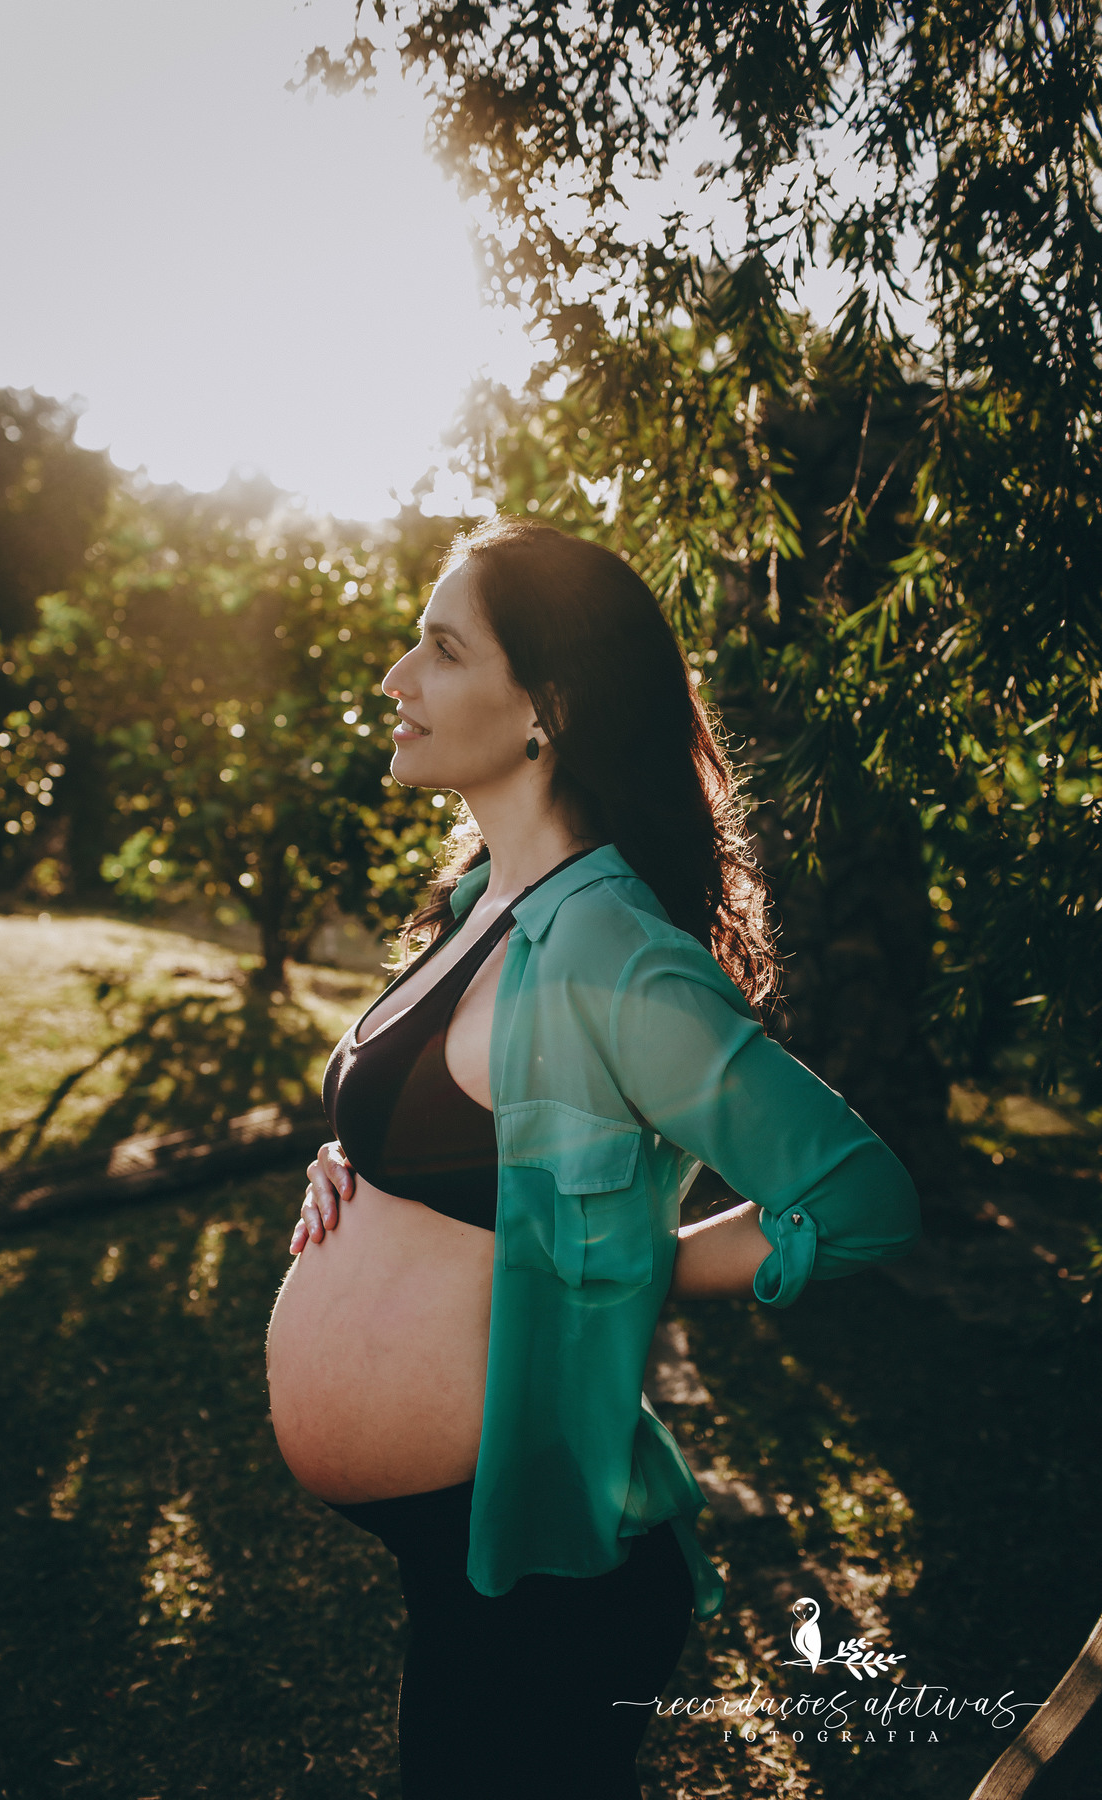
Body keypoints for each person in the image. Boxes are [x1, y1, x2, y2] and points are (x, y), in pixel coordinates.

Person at [265, 516, 921, 1799]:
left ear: (543, 712)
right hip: (455, 1562)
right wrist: (357, 1168)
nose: (396, 679)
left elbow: (859, 1198)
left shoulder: (619, 953)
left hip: (552, 1588)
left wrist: (637, 1269)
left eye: (441, 649)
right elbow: (458, 1153)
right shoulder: (480, 903)